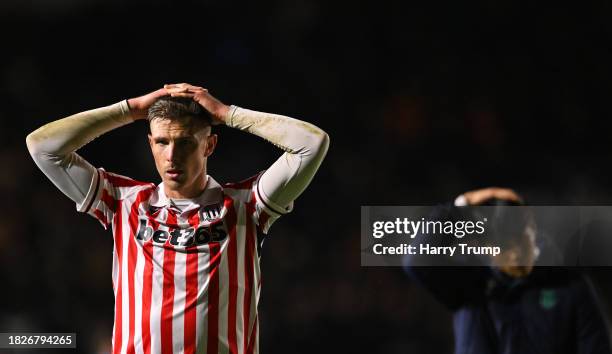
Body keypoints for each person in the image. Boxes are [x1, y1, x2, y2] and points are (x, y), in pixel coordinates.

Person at [26, 83, 329, 354]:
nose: (172, 156)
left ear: (208, 145)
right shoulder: (125, 201)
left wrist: (227, 114)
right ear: (150, 144)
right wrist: (130, 110)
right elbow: (42, 147)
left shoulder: (245, 205)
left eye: (185, 142)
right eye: (162, 142)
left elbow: (311, 144)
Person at [404, 187, 612, 354]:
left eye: (521, 240)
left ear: (532, 226)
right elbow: (417, 260)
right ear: (485, 245)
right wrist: (459, 205)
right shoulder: (469, 282)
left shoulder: (568, 283)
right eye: (505, 245)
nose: (515, 254)